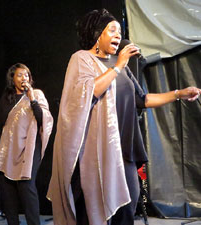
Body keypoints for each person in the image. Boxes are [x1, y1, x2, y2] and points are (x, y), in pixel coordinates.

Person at [47, 9, 201, 225]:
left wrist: (179, 94)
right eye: (112, 30)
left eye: (120, 31)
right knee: (92, 212)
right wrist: (118, 66)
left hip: (124, 149)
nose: (118, 35)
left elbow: (143, 100)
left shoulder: (121, 66)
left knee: (126, 209)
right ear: (97, 34)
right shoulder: (82, 59)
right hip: (94, 153)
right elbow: (88, 92)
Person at [0, 63, 53, 225]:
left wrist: (32, 97)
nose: (24, 78)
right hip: (8, 149)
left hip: (29, 149)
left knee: (27, 188)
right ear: (12, 79)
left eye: (26, 75)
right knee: (8, 192)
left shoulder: (37, 95)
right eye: (19, 75)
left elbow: (43, 120)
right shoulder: (7, 98)